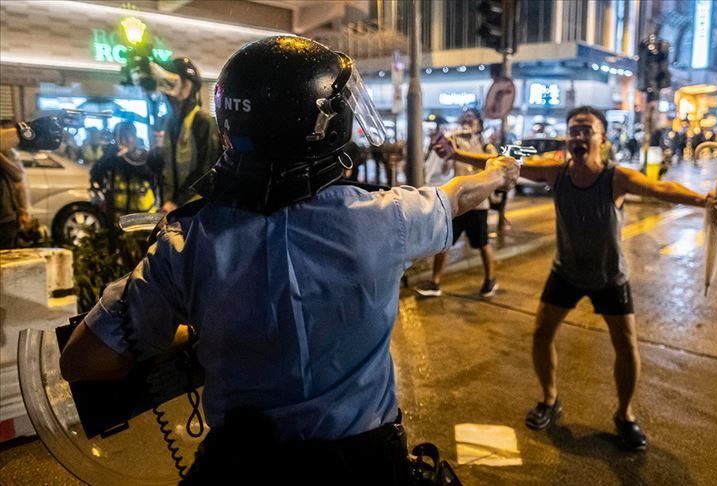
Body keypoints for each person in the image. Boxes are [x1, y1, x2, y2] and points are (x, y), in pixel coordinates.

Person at [57, 35, 519, 484]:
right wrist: (498, 172)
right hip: (365, 464)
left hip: (242, 465)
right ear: (327, 127)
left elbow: (82, 360)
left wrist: (197, 330)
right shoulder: (386, 219)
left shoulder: (185, 243)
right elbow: (457, 197)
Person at [435, 106, 717, 451]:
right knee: (542, 334)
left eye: (586, 130)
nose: (578, 136)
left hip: (609, 276)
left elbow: (659, 188)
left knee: (626, 346)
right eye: (573, 130)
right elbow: (503, 164)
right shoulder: (555, 172)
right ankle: (549, 399)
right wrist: (456, 154)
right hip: (567, 272)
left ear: (601, 138)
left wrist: (705, 200)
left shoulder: (616, 178)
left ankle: (625, 415)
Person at [414, 108, 501, 298]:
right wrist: (446, 153)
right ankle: (435, 283)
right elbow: (445, 169)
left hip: (478, 204)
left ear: (479, 124)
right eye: (464, 119)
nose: (467, 122)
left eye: (471, 119)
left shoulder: (486, 146)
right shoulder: (456, 143)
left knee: (482, 243)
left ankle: (490, 279)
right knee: (444, 242)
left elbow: (493, 168)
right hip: (459, 203)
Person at [152, 57, 221, 212]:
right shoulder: (166, 122)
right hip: (170, 206)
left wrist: (176, 202)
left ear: (193, 88)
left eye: (183, 83)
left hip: (195, 207)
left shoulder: (202, 120)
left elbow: (206, 169)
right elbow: (162, 167)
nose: (177, 89)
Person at [0, 117, 64, 248]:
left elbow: (19, 180)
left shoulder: (10, 153)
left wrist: (23, 211)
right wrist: (24, 132)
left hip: (7, 216)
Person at [90, 122, 160, 218]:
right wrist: (111, 157)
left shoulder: (144, 156)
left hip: (143, 216)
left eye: (129, 135)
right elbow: (95, 174)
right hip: (117, 216)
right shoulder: (111, 157)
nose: (125, 140)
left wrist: (125, 159)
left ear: (135, 137)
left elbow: (149, 174)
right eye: (121, 136)